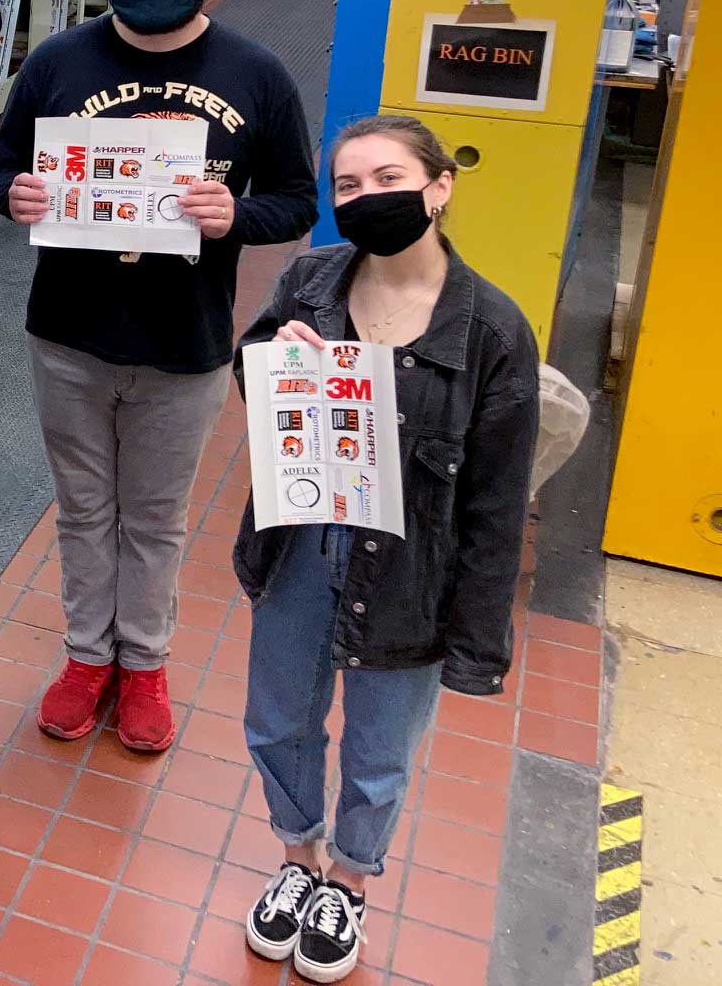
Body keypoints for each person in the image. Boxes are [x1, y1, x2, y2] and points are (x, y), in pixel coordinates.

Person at [0, 0, 317, 753]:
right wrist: (13, 194)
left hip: (186, 341)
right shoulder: (58, 62)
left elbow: (295, 200)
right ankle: (87, 659)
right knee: (85, 510)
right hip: (68, 334)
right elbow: (0, 172)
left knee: (157, 518)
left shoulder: (256, 75)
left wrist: (233, 217)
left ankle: (147, 667)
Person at [235, 115, 537, 983]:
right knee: (279, 719)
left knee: (379, 748)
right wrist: (270, 359)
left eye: (389, 177)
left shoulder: (493, 335)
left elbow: (495, 505)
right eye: (349, 186)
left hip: (412, 577)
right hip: (302, 548)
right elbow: (252, 378)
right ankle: (297, 860)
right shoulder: (311, 280)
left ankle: (351, 882)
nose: (368, 197)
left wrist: (478, 646)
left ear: (440, 187)